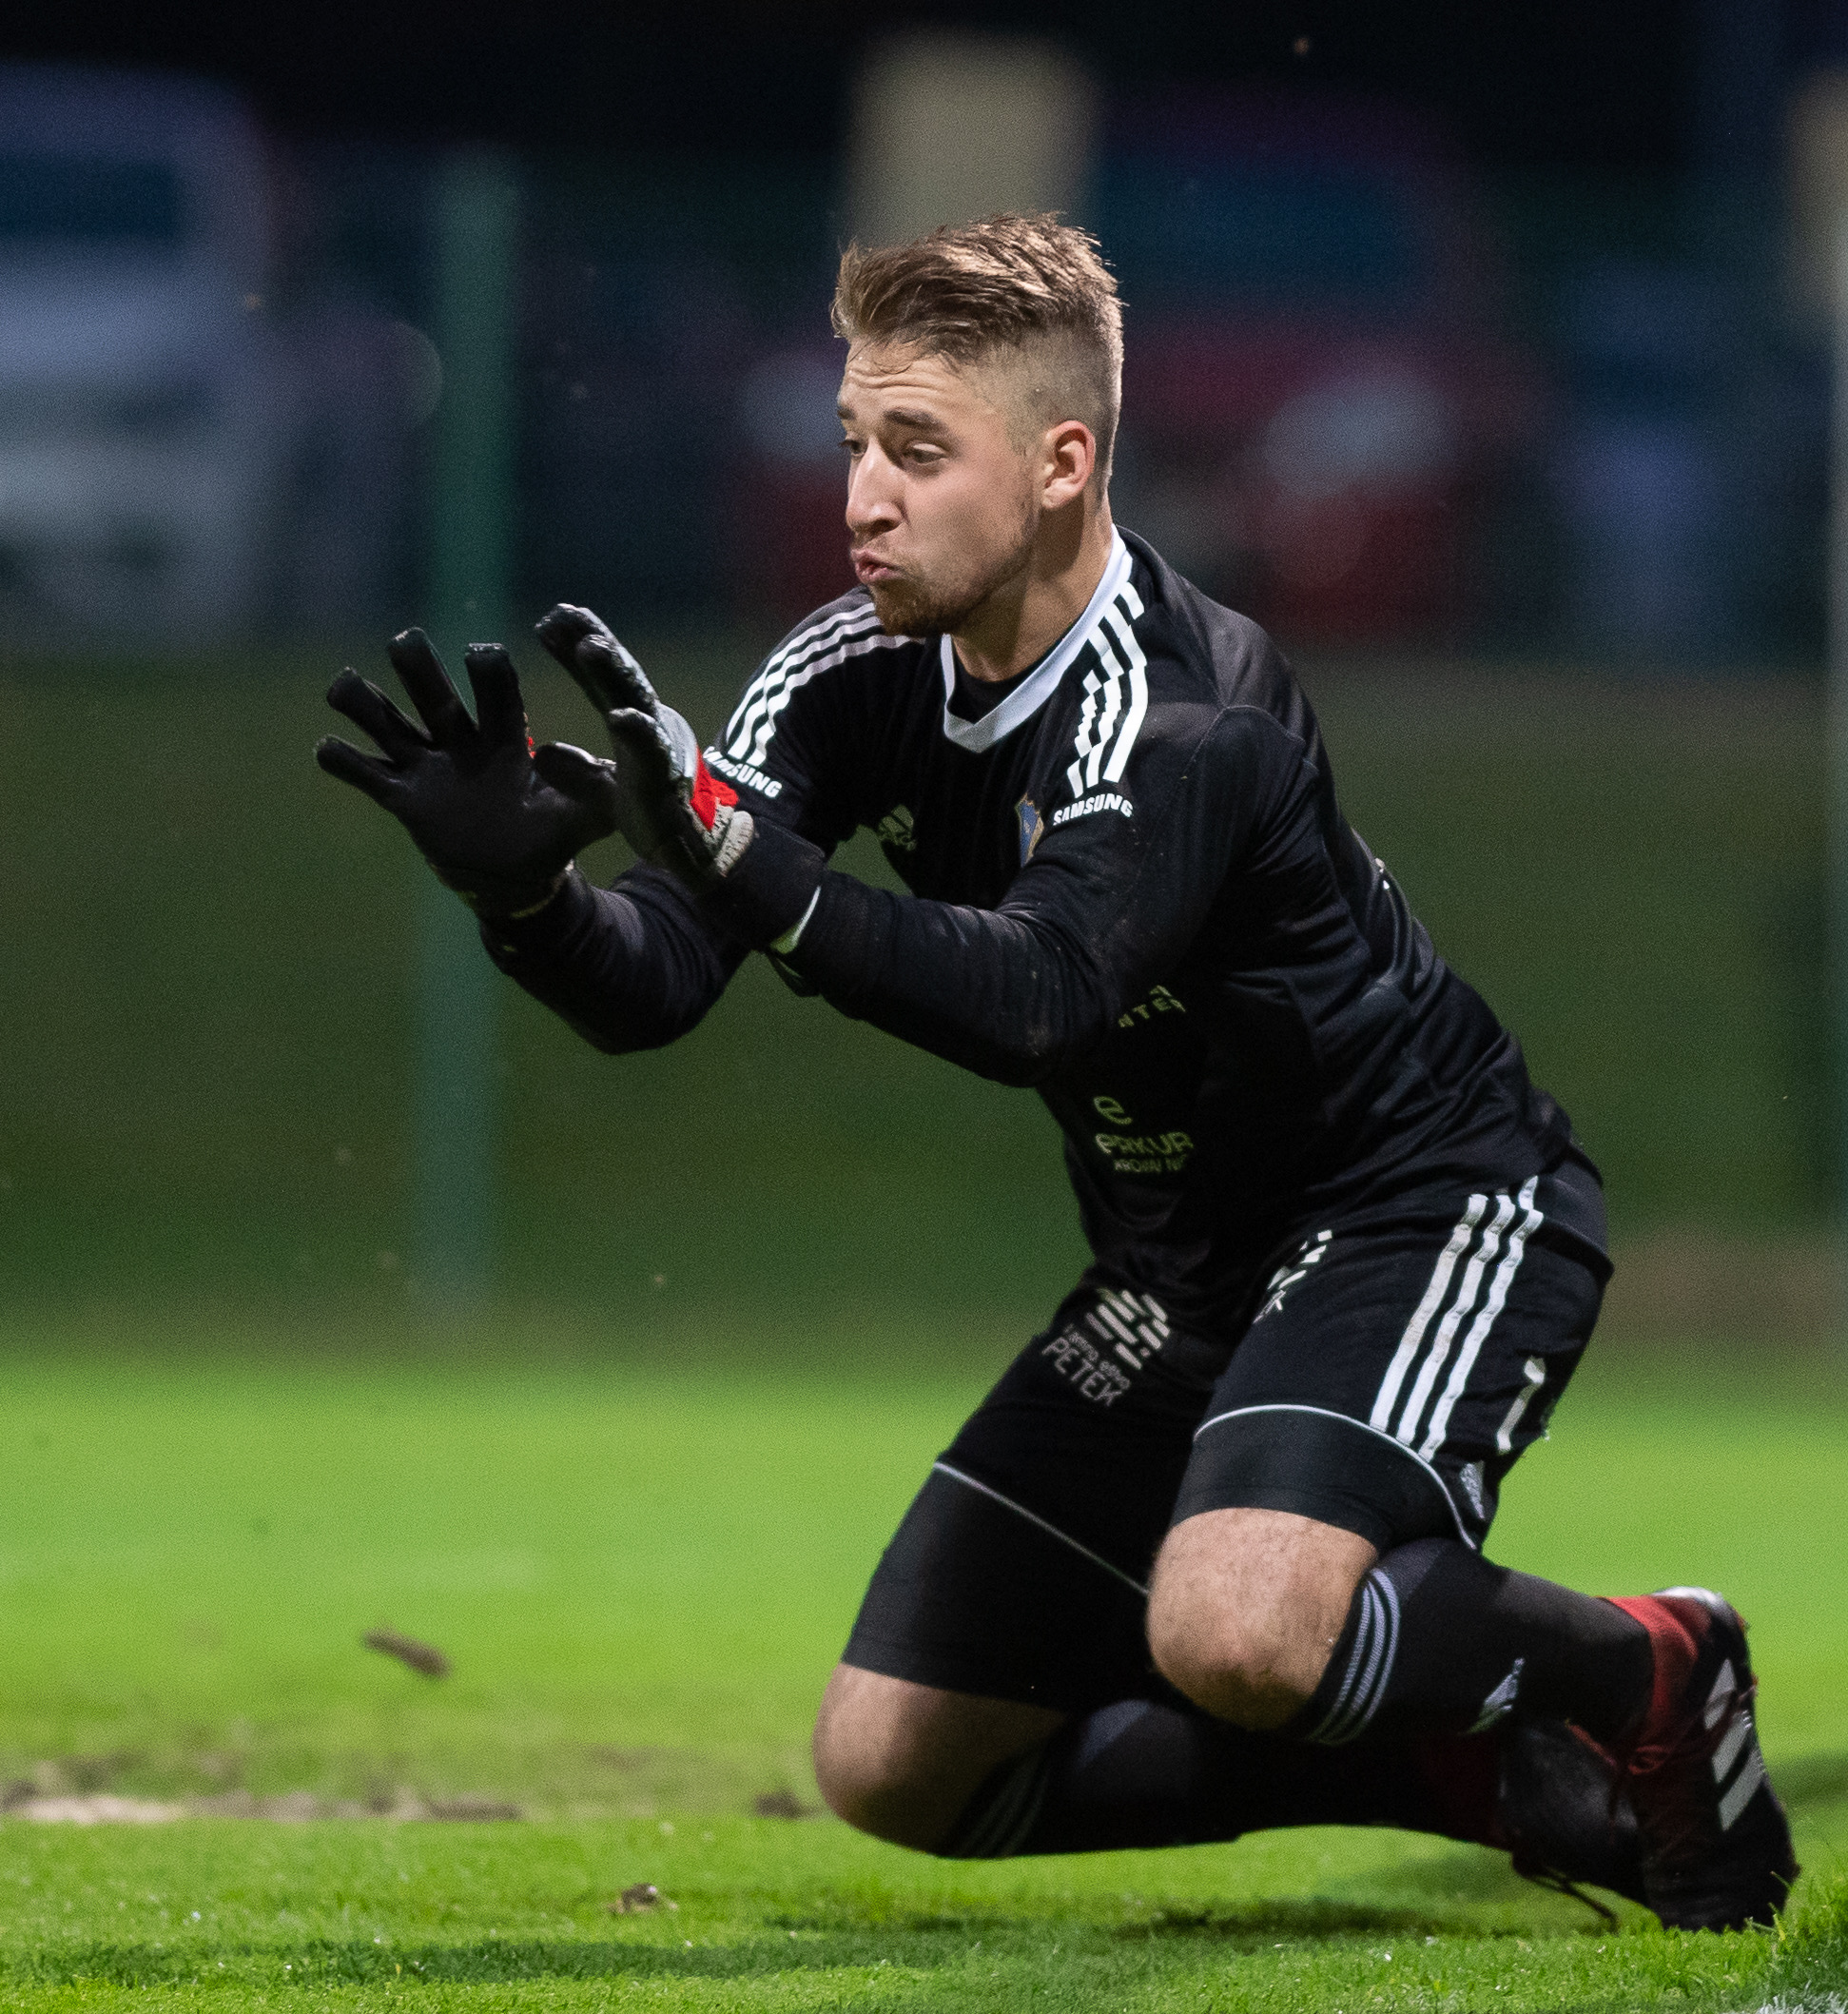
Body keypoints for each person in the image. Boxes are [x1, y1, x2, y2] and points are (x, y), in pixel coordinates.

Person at [314, 213, 1794, 1930]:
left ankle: (1653, 1668)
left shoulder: (1184, 710)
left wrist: (744, 865)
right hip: (1179, 1270)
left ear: (1061, 463)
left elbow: (1043, 997)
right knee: (902, 1764)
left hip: (1419, 1206)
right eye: (854, 441)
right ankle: (1472, 1771)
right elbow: (659, 979)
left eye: (916, 450)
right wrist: (526, 900)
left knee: (1234, 1628)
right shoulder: (851, 669)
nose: (864, 496)